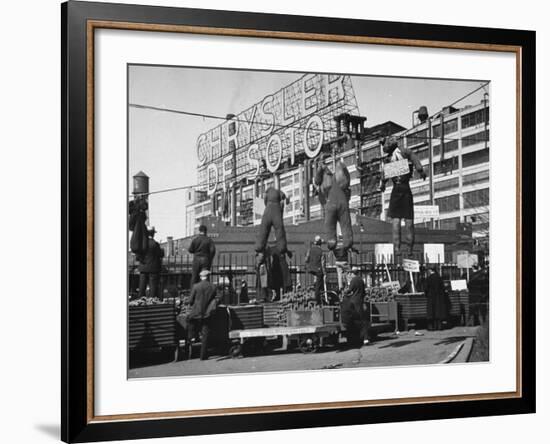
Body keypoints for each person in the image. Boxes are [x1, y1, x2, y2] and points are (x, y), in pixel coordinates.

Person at [379, 136, 427, 257]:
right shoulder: (405, 151)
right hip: (406, 188)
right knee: (409, 220)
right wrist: (421, 171)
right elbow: (417, 162)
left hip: (396, 189)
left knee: (396, 220)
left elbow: (384, 177)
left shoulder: (388, 159)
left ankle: (397, 248)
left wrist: (383, 185)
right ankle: (410, 249)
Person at [314, 160, 354, 266]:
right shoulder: (338, 179)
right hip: (343, 203)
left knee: (329, 224)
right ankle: (348, 240)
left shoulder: (326, 181)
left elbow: (317, 181)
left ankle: (332, 241)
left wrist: (320, 168)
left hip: (331, 205)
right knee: (345, 223)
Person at [187, 269, 218, 360]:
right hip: (207, 314)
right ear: (208, 277)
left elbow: (190, 301)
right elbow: (217, 298)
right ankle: (203, 355)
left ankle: (192, 337)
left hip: (196, 313)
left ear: (201, 277)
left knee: (189, 321)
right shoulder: (213, 286)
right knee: (205, 334)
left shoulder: (196, 286)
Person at [340, 268, 369, 347]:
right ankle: (365, 338)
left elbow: (349, 290)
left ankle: (355, 337)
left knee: (354, 319)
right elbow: (364, 292)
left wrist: (345, 292)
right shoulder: (361, 280)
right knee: (362, 320)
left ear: (353, 273)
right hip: (360, 301)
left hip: (353, 302)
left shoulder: (353, 281)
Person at [137, 227, 164, 299]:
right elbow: (160, 254)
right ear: (153, 234)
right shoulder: (155, 244)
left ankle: (140, 300)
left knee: (142, 286)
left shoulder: (142, 243)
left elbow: (137, 256)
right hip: (153, 269)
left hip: (143, 268)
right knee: (153, 287)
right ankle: (152, 301)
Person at [305, 235, 326, 304]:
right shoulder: (321, 251)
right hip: (318, 269)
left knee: (316, 279)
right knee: (319, 282)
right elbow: (323, 263)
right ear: (320, 244)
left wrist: (309, 264)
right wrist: (324, 272)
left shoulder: (310, 249)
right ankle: (317, 298)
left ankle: (315, 284)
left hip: (311, 268)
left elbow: (306, 259)